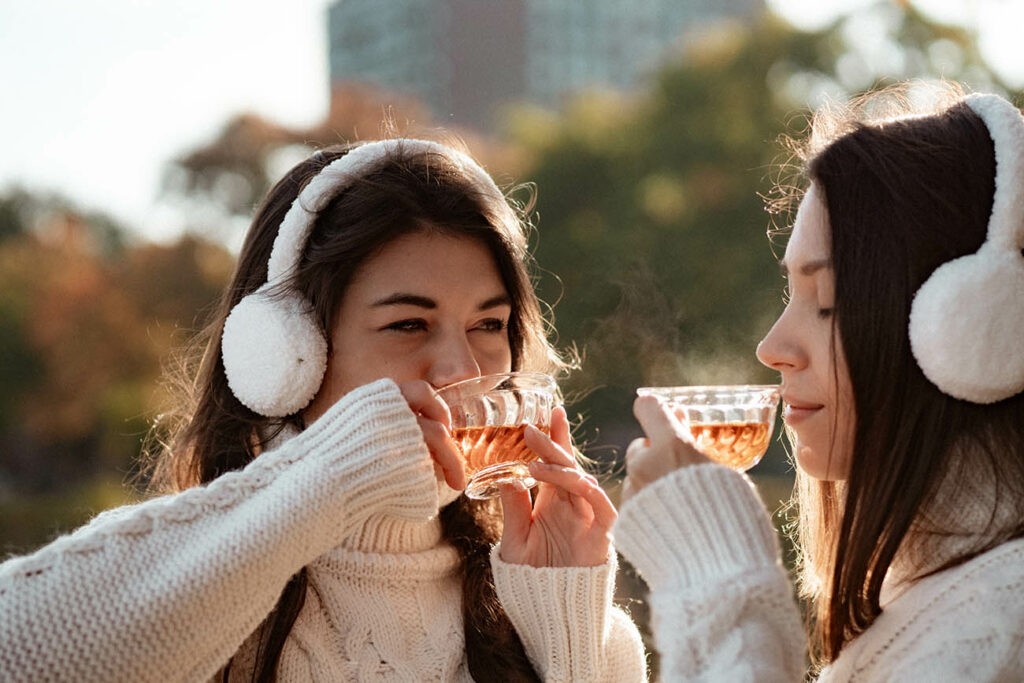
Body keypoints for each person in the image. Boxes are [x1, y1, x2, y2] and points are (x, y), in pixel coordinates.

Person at [0, 138, 647, 681]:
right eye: (408, 324)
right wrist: (328, 476)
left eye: (489, 323)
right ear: (289, 355)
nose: (463, 370)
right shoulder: (195, 589)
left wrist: (565, 638)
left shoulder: (560, 605)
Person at [613, 84, 1024, 681]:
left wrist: (718, 575)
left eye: (827, 301)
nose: (771, 349)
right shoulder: (932, 603)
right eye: (791, 294)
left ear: (969, 327)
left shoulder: (995, 628)